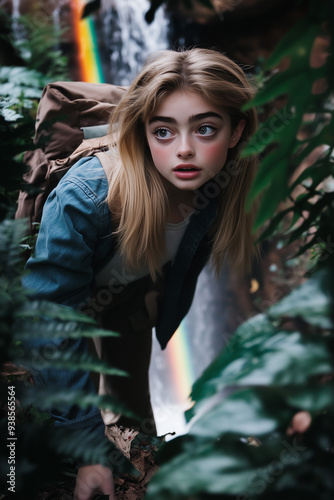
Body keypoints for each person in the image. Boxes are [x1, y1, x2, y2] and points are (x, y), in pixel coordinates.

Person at [23, 48, 258, 500]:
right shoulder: (86, 195)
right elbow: (50, 317)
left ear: (236, 132)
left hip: (132, 296)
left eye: (205, 128)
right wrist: (87, 447)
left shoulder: (223, 183)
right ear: (144, 132)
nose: (185, 149)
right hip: (62, 305)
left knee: (136, 425)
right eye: (163, 131)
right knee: (54, 434)